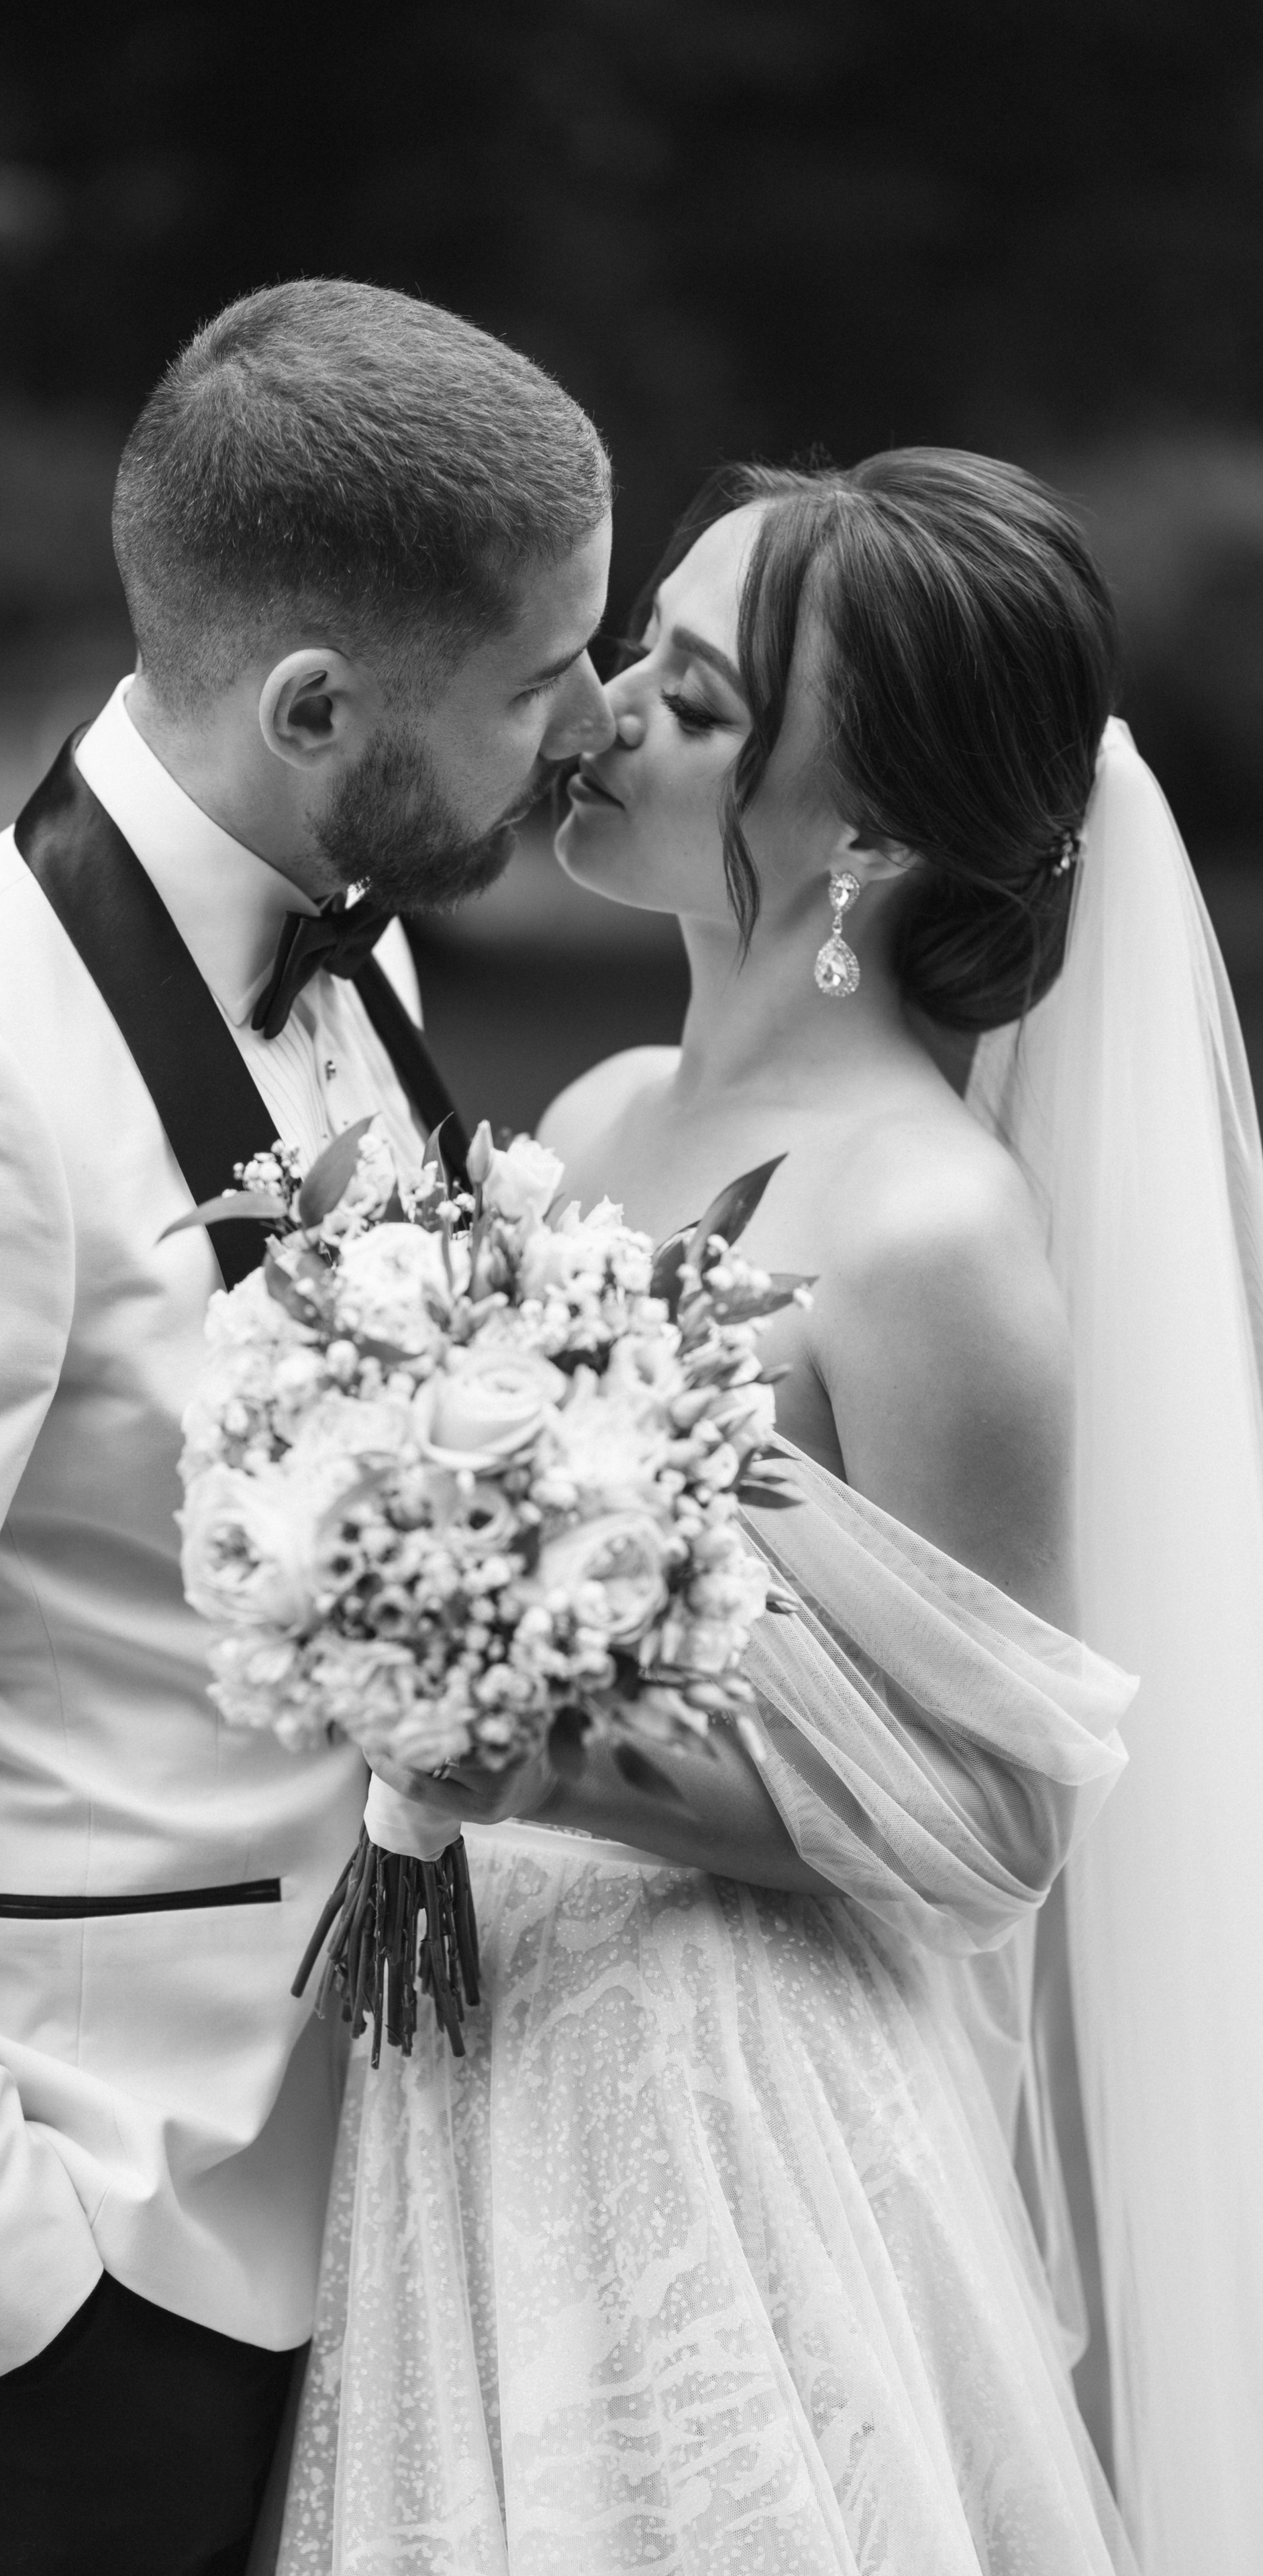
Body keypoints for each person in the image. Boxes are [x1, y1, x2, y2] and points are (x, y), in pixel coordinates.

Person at [0, 277, 615, 2576]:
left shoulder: (355, 939)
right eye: (535, 677)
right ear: (313, 705)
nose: (591, 724)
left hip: (366, 2183)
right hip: (88, 2237)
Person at [278, 451, 1263, 2573]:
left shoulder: (926, 1230)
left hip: (727, 2112)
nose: (609, 708)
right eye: (645, 650)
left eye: (701, 703)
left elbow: (1001, 1817)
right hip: (488, 2059)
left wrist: (515, 1747)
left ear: (875, 842)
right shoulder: (609, 1116)